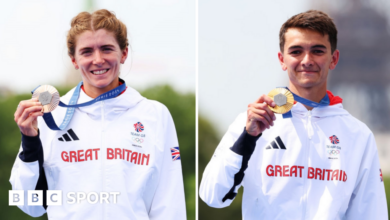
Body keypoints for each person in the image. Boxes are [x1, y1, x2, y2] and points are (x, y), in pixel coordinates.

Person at [199, 10, 388, 219]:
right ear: (282, 59)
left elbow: (372, 214)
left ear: (334, 59)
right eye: (296, 51)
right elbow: (212, 196)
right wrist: (247, 139)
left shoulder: (358, 135)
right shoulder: (251, 122)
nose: (307, 60)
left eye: (317, 50)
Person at [10, 9, 186, 220]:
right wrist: (30, 141)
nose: (98, 59)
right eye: (86, 52)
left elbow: (169, 203)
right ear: (74, 60)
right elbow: (30, 205)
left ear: (124, 53)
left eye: (107, 49)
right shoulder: (51, 115)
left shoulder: (154, 115)